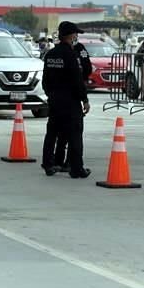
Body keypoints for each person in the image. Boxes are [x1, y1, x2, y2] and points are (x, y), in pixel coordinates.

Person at [41, 21, 91, 179]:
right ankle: (76, 169)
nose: (76, 36)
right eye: (75, 33)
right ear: (70, 35)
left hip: (55, 100)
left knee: (52, 133)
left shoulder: (50, 54)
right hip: (70, 101)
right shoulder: (71, 55)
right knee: (75, 134)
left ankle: (48, 165)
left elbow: (45, 80)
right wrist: (84, 99)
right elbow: (77, 79)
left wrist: (51, 95)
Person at [52, 37, 93, 171]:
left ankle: (59, 161)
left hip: (59, 95)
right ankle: (71, 163)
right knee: (74, 131)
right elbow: (87, 67)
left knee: (62, 131)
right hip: (73, 95)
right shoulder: (76, 49)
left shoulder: (58, 51)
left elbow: (87, 66)